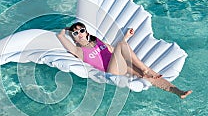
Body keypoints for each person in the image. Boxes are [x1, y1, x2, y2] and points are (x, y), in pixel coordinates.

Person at [57, 22, 192, 99]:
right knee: (123, 48)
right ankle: (144, 69)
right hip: (110, 72)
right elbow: (61, 37)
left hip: (119, 65)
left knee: (149, 75)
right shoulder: (79, 51)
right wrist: (65, 31)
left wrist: (126, 37)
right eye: (75, 33)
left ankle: (178, 91)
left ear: (86, 32)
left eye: (81, 30)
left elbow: (113, 50)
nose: (79, 34)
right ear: (74, 38)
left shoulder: (97, 41)